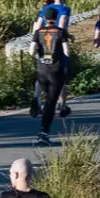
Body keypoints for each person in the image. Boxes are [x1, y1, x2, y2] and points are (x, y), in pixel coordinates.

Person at [29, 9, 70, 146]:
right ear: (56, 17)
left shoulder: (38, 32)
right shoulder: (60, 32)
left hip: (42, 70)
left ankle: (36, 98)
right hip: (55, 70)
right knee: (51, 103)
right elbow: (66, 51)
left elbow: (31, 51)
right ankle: (44, 132)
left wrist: (40, 55)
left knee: (46, 96)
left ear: (45, 18)